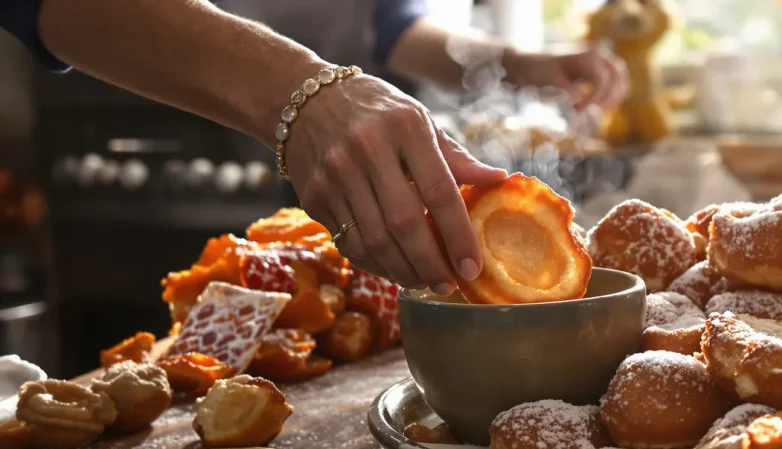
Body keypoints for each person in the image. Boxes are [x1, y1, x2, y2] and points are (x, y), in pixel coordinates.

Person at [0, 0, 627, 297]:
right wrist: (300, 92)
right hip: (128, 118)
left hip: (309, 126)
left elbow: (378, 22)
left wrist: (513, 62)